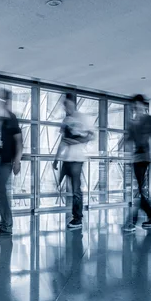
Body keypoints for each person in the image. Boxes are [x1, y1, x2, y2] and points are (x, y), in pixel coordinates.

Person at [52, 93, 94, 229]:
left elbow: (91, 136)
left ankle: (78, 218)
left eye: (67, 104)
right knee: (64, 186)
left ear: (73, 103)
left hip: (77, 159)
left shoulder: (82, 118)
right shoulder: (65, 121)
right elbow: (62, 142)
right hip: (67, 159)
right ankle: (75, 216)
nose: (66, 108)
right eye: (64, 105)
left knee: (76, 190)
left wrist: (75, 140)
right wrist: (56, 159)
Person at [123, 94, 151, 232]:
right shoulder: (132, 123)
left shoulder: (149, 119)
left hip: (147, 159)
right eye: (134, 105)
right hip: (136, 159)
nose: (136, 107)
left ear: (142, 105)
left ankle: (133, 220)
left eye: (138, 104)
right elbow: (128, 141)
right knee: (141, 189)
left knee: (141, 190)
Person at [0, 89, 22, 238]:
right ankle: (5, 225)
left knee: (1, 192)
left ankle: (6, 226)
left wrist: (17, 162)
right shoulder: (6, 119)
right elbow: (8, 143)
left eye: (2, 99)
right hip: (5, 159)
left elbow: (19, 142)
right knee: (1, 192)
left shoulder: (11, 118)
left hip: (8, 162)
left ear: (7, 101)